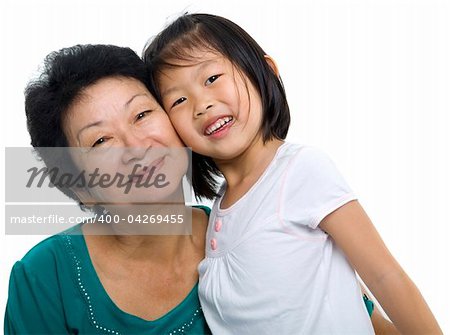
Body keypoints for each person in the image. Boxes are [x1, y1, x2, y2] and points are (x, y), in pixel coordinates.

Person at [143, 13, 443, 334]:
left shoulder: (300, 169)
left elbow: (385, 277)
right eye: (179, 100)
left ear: (264, 71)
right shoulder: (218, 212)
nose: (201, 104)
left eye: (212, 78)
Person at [4, 44, 212, 334]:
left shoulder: (240, 235)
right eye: (101, 141)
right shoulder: (43, 277)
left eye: (141, 115)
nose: (136, 148)